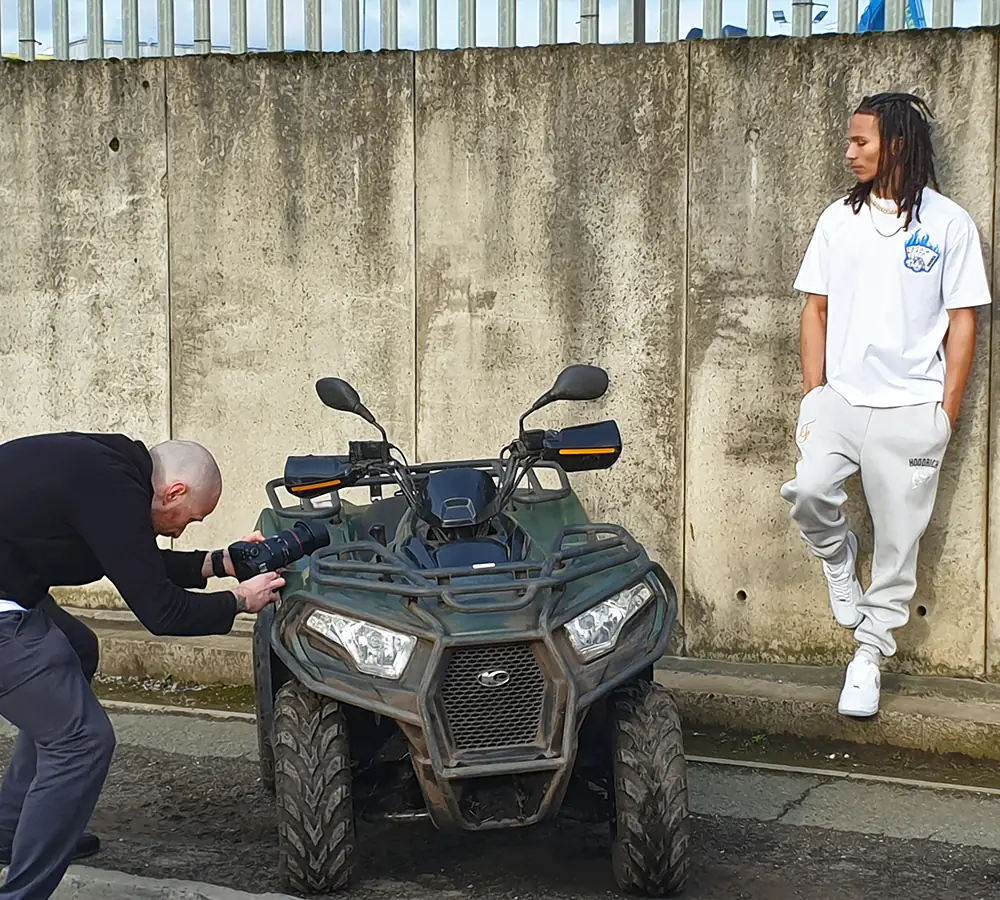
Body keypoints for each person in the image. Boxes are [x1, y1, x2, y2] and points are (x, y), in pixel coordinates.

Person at [0, 431, 285, 900]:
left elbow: (129, 556)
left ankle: (13, 831)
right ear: (174, 491)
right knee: (82, 742)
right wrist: (238, 600)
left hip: (14, 585)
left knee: (76, 648)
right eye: (189, 519)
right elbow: (162, 612)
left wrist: (219, 564)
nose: (180, 531)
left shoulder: (109, 465)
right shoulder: (111, 489)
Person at [780, 92, 992, 719]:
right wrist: (814, 394)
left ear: (896, 145)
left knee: (900, 543)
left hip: (912, 409)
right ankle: (837, 557)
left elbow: (963, 322)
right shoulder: (836, 221)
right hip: (841, 398)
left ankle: (868, 656)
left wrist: (945, 414)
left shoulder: (948, 224)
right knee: (810, 491)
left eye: (860, 143)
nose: (849, 154)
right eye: (849, 142)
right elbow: (814, 309)